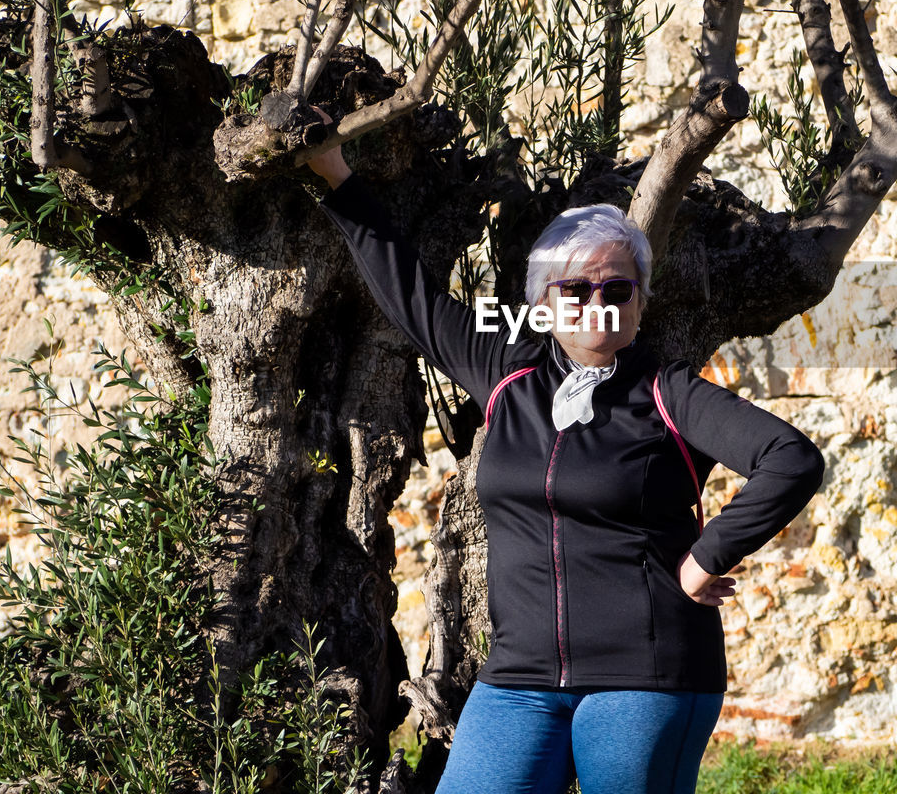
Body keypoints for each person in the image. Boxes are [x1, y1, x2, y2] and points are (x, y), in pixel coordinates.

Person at [308, 141, 823, 794]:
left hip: (647, 674)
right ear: (543, 301)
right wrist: (336, 176)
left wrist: (707, 556)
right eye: (575, 288)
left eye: (618, 288)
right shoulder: (507, 376)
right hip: (518, 681)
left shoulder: (671, 394)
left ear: (640, 301)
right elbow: (409, 294)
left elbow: (791, 458)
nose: (597, 301)